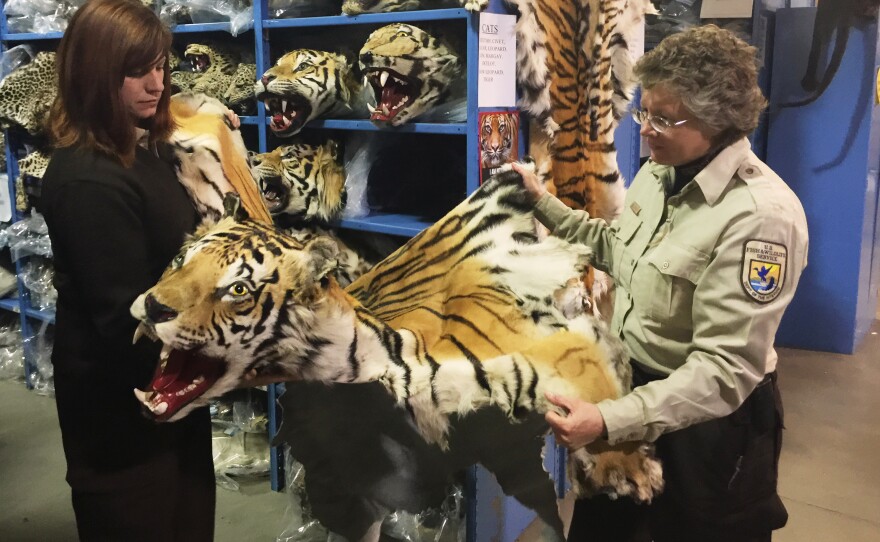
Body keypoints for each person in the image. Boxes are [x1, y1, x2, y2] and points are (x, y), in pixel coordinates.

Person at [513, 25, 808, 542]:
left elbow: (723, 371)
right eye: (644, 112)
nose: (644, 130)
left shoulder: (761, 218)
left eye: (663, 119)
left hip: (708, 432)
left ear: (718, 120)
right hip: (632, 397)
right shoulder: (659, 172)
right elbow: (617, 251)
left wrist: (608, 420)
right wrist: (542, 202)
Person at [40, 0, 215, 539]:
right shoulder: (87, 180)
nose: (157, 83)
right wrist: (235, 356)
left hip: (171, 393)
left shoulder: (140, 149)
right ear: (94, 72)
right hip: (121, 412)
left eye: (161, 65)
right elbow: (125, 322)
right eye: (137, 70)